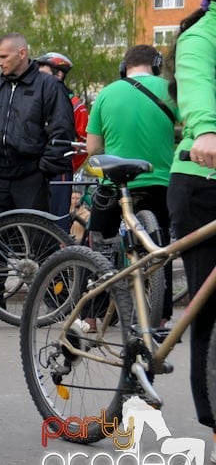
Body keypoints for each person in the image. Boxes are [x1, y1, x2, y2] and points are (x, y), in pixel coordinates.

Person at [0, 34, 74, 316]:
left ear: (22, 53)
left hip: (31, 173)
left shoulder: (48, 86)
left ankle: (57, 299)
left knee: (40, 238)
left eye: (4, 57)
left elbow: (61, 130)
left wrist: (44, 167)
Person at [167, 0, 216, 465]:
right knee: (211, 303)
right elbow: (199, 88)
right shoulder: (202, 34)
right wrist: (207, 129)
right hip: (203, 176)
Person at [87, 44, 177, 325]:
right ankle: (159, 319)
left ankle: (92, 317)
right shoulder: (171, 91)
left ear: (124, 67)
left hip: (115, 184)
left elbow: (93, 147)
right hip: (159, 182)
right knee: (159, 248)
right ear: (157, 65)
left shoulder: (107, 93)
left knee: (100, 247)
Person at [36, 51, 89, 231]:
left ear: (59, 74)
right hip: (34, 169)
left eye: (42, 71)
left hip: (59, 168)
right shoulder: (36, 97)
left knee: (58, 221)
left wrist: (68, 162)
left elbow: (85, 143)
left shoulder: (75, 105)